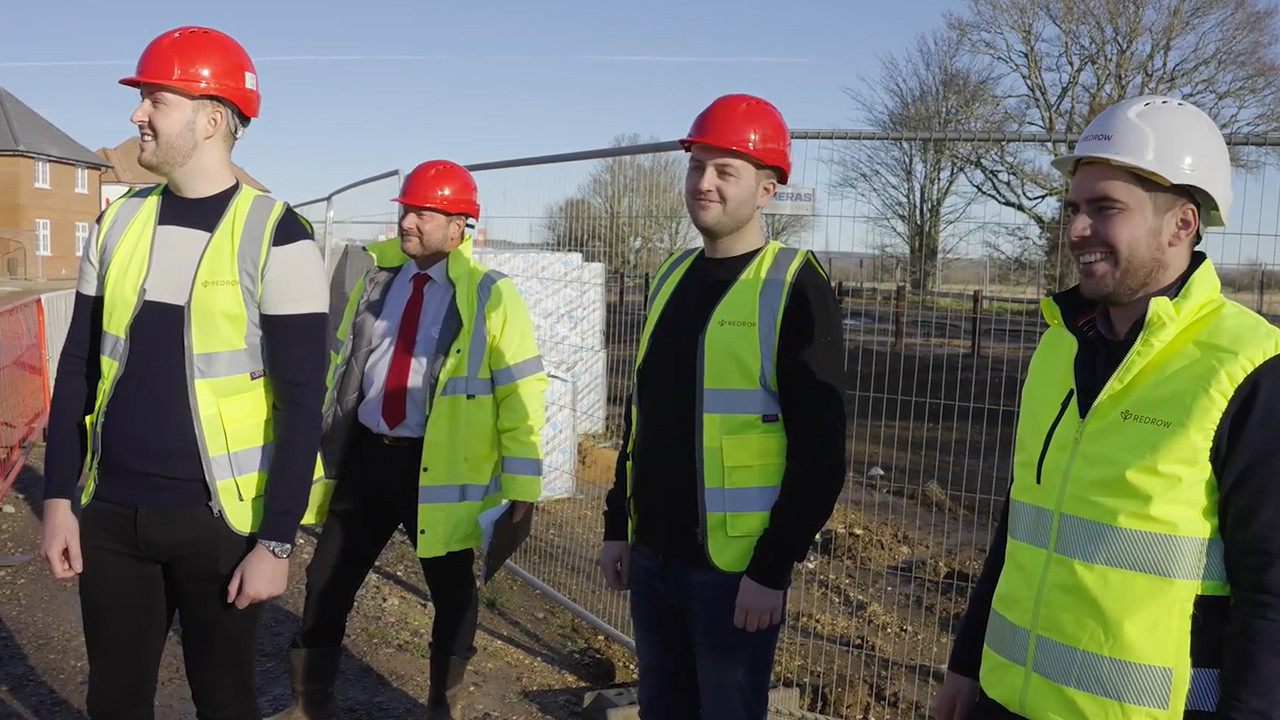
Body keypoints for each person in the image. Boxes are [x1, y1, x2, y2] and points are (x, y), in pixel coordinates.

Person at [932, 95, 1280, 720]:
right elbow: (1021, 525)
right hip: (1004, 699)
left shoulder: (1249, 366)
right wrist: (966, 664)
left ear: (1182, 222)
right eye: (1073, 209)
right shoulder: (1057, 346)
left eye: (1105, 209)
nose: (1075, 230)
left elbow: (1271, 592)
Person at [37, 25, 332, 720]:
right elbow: (78, 365)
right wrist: (57, 500)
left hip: (221, 525)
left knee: (225, 700)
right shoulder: (117, 223)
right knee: (113, 698)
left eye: (154, 100)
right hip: (110, 516)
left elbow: (301, 404)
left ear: (209, 119)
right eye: (142, 99)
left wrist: (277, 542)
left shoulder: (277, 234)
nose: (137, 114)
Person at [266, 159, 547, 720]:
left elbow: (521, 393)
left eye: (423, 212)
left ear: (459, 224)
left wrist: (522, 482)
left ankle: (444, 707)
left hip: (436, 471)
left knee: (452, 593)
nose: (408, 222)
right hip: (368, 459)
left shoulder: (491, 296)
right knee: (326, 580)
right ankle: (308, 705)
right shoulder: (377, 279)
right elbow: (345, 365)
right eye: (405, 210)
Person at [597, 93, 848, 719]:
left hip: (734, 574)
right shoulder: (671, 275)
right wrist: (615, 526)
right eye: (695, 167)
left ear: (766, 189)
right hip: (652, 558)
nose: (702, 184)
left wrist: (773, 567)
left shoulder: (793, 284)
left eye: (724, 171)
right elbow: (642, 419)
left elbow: (821, 450)